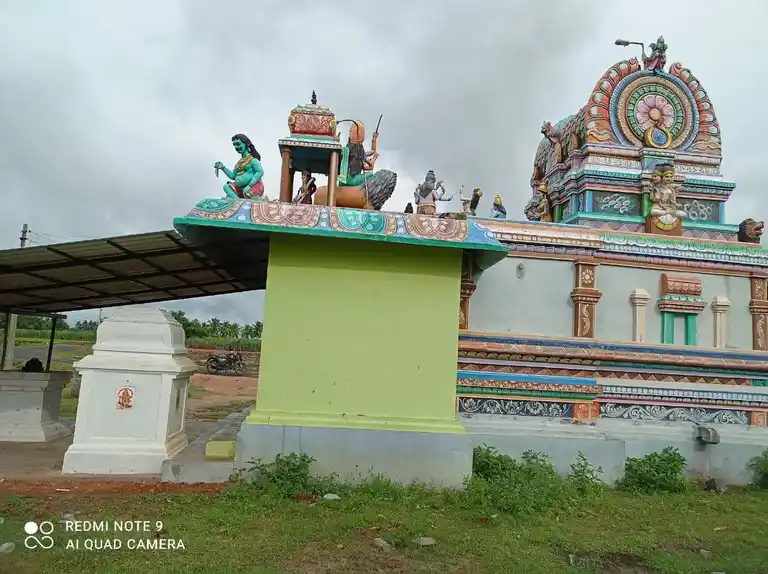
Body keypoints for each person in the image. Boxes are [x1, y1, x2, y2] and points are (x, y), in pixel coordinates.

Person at [214, 134, 265, 199]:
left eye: (238, 144)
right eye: (234, 145)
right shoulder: (239, 163)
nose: (236, 147)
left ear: (245, 144)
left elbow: (260, 172)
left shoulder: (253, 160)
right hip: (240, 189)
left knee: (248, 193)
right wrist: (223, 167)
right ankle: (237, 202)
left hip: (253, 187)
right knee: (226, 187)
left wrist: (249, 185)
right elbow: (233, 176)